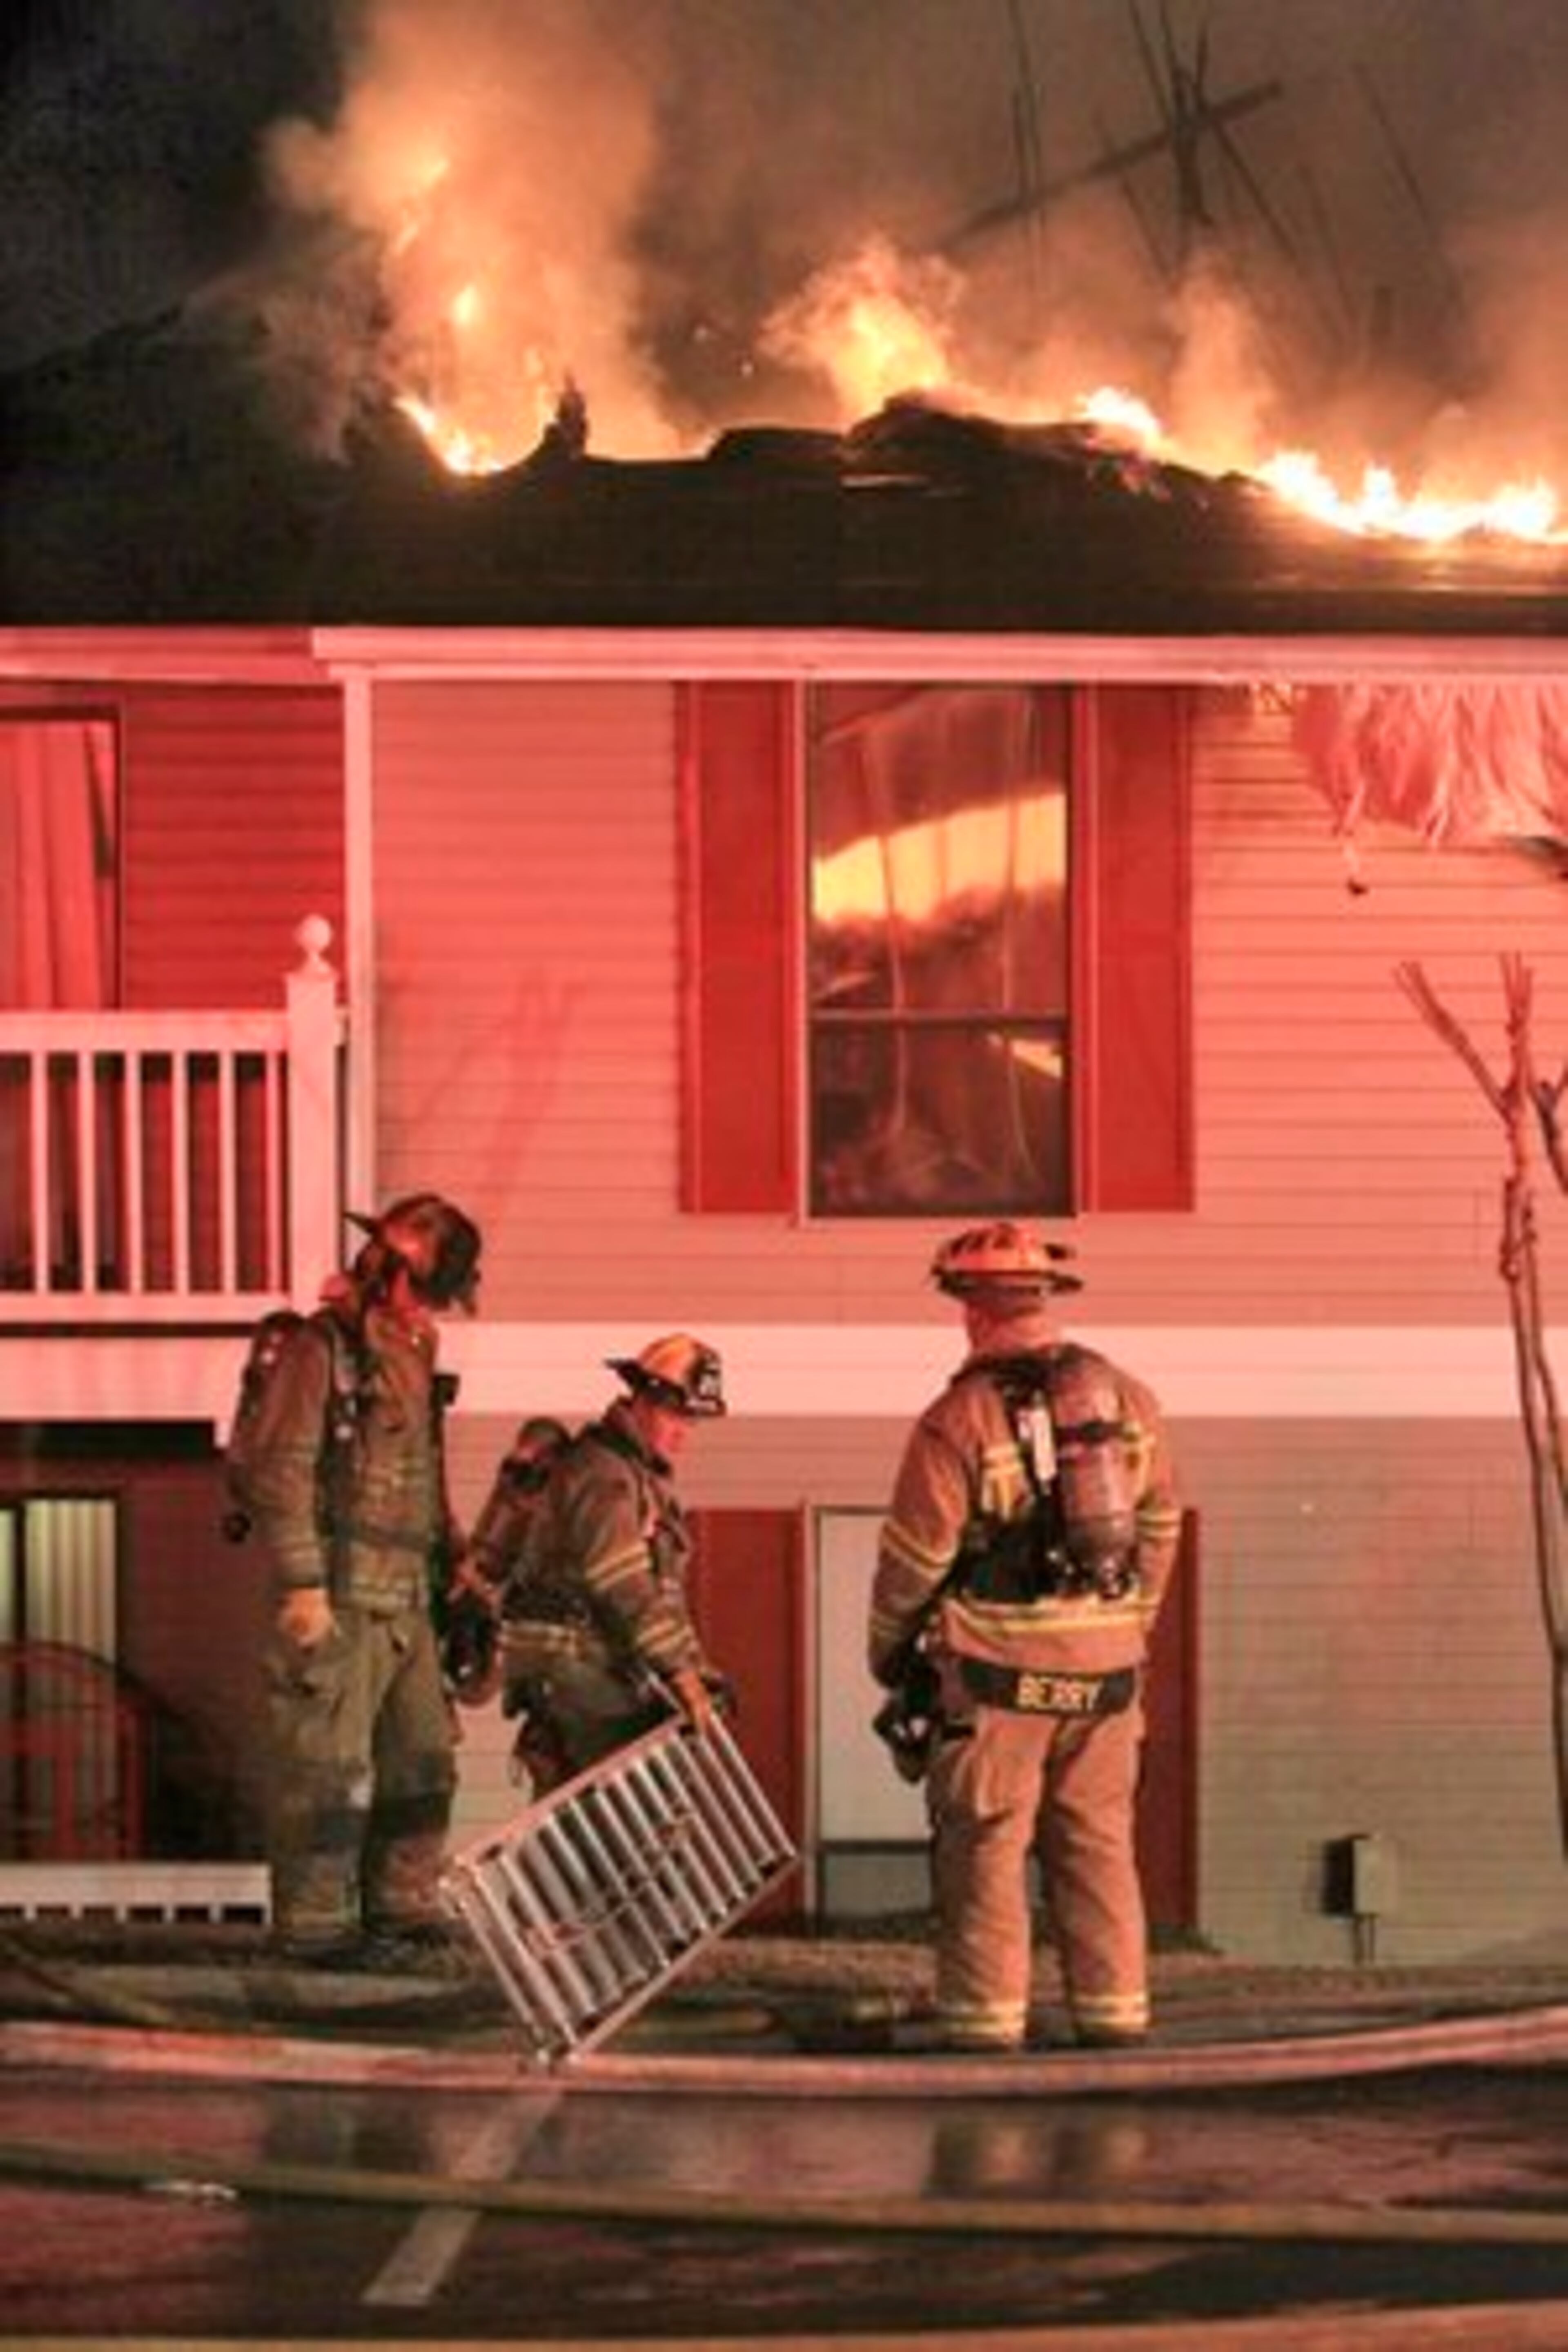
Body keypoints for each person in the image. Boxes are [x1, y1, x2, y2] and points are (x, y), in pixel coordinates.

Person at [869, 1220, 1182, 2053]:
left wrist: (888, 1652)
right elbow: (1160, 1525)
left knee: (988, 1848)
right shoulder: (1132, 1403)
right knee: (1099, 1845)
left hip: (998, 1678)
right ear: (1047, 1299)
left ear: (972, 1308)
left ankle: (984, 2033)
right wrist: (1130, 1626)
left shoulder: (958, 1421)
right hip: (1111, 1677)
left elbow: (912, 1558)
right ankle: (1116, 2022)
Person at [244, 1189, 483, 1965]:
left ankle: (401, 1907)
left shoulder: (415, 1353)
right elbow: (282, 1473)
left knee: (423, 1759)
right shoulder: (323, 1351)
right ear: (404, 1276)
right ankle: (317, 1931)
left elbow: (423, 1474)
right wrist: (303, 1584)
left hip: (408, 1597)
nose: (432, 1312)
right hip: (341, 1596)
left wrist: (458, 1562)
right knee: (328, 1770)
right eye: (431, 1293)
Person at [497, 1334, 731, 1788]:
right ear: (642, 1400)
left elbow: (661, 1593)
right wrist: (679, 1672)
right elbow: (623, 1582)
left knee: (626, 1835)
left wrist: (697, 1667)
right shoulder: (603, 1474)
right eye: (675, 1415)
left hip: (596, 1678)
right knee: (604, 1838)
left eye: (692, 1420)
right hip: (579, 1683)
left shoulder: (638, 1476)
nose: (684, 1431)